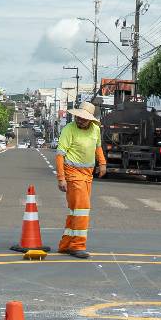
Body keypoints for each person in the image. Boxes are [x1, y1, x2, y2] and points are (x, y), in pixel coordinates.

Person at [55, 101, 107, 258]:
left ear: (90, 120)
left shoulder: (95, 129)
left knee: (75, 211)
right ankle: (77, 246)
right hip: (73, 174)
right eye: (78, 117)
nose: (80, 120)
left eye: (83, 119)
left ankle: (66, 244)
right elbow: (60, 155)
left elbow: (98, 147)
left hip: (88, 175)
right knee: (82, 209)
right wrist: (61, 178)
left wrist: (102, 163)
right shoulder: (68, 129)